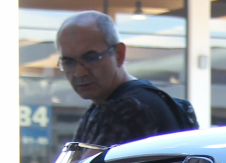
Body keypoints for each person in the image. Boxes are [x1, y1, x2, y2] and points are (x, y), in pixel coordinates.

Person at [59, 12, 191, 146]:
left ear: (118, 54)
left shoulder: (131, 107)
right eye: (69, 62)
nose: (79, 72)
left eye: (91, 58)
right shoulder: (103, 106)